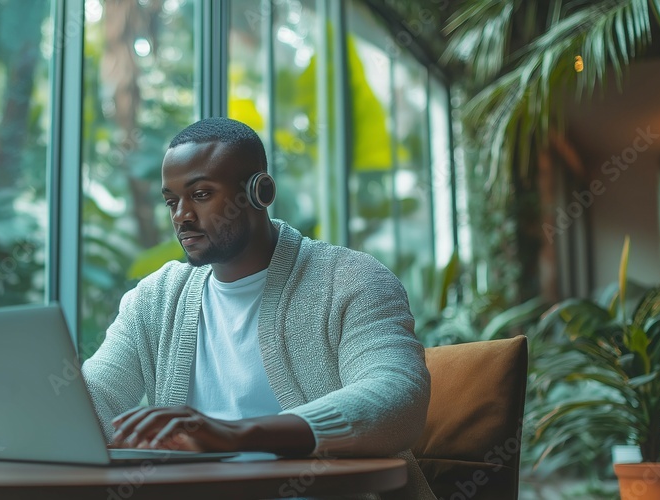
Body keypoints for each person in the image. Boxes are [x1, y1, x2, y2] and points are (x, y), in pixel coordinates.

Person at [81, 117, 435, 499]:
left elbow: (399, 396)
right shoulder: (153, 300)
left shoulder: (352, 279)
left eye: (200, 194)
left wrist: (238, 434)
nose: (181, 215)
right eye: (172, 200)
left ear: (259, 191)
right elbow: (95, 396)